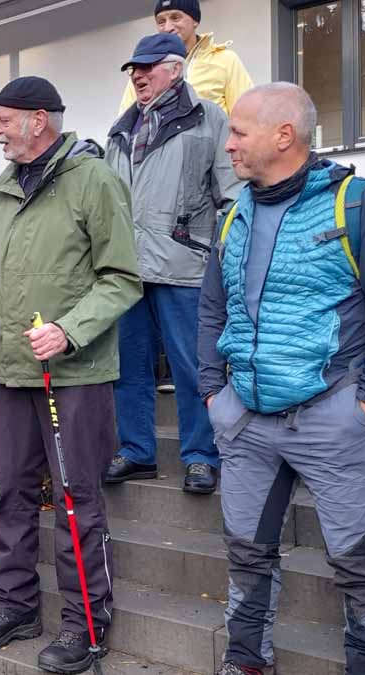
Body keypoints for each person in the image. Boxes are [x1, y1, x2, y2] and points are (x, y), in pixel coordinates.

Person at [199, 83, 365, 675]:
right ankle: (246, 661)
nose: (228, 146)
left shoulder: (360, 206)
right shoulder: (233, 215)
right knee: (246, 555)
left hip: (332, 418)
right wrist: (211, 393)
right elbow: (212, 310)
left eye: (239, 132)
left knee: (357, 560)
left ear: (284, 136)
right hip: (245, 418)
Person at [0, 76, 141, 674]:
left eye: (4, 119)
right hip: (10, 371)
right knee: (9, 492)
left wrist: (70, 329)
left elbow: (122, 279)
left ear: (38, 120)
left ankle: (87, 626)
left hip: (75, 374)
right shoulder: (1, 190)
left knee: (78, 498)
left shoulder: (94, 181)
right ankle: (16, 607)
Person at [103, 33, 242, 495]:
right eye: (133, 69)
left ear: (176, 69)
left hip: (186, 265)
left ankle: (202, 457)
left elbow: (233, 196)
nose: (137, 76)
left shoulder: (210, 120)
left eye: (147, 67)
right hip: (127, 270)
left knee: (192, 367)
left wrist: (221, 255)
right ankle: (137, 451)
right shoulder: (120, 130)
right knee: (128, 366)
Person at [118, 0, 254, 116]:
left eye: (175, 18)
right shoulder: (144, 67)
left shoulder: (226, 60)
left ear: (195, 20)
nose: (168, 27)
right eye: (161, 21)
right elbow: (125, 119)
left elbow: (247, 115)